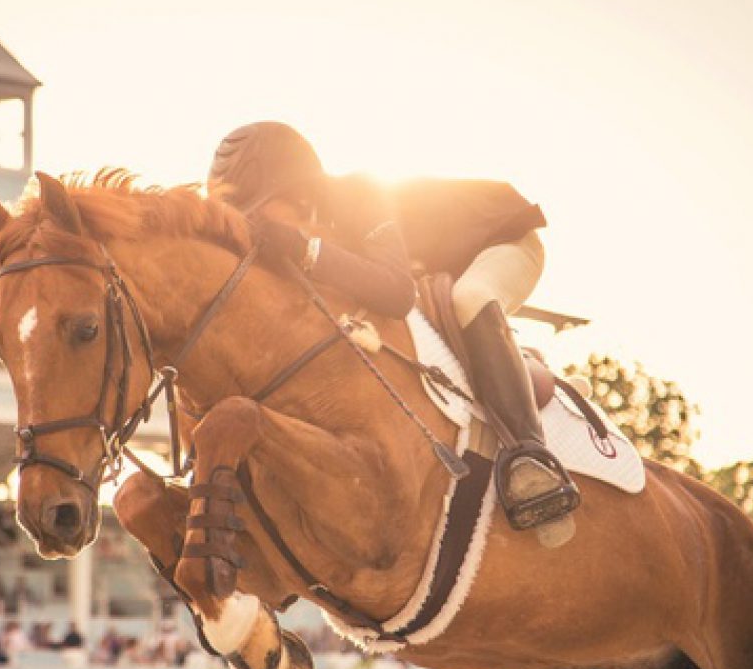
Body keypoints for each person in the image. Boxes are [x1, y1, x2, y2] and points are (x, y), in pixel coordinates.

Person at [208, 121, 578, 526]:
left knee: (469, 299)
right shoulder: (311, 220)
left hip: (505, 242)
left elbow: (396, 293)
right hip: (432, 267)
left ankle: (531, 454)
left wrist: (302, 249)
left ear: (296, 195)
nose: (254, 226)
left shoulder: (360, 194)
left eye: (258, 212)